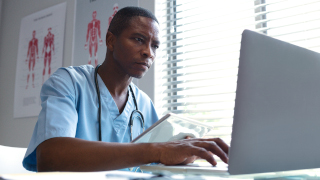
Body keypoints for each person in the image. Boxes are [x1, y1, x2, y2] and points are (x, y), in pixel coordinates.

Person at [23, 6, 229, 172]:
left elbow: (151, 165)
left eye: (155, 45)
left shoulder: (144, 104)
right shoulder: (69, 82)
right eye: (139, 39)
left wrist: (180, 156)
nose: (149, 53)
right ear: (110, 41)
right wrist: (158, 150)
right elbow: (50, 157)